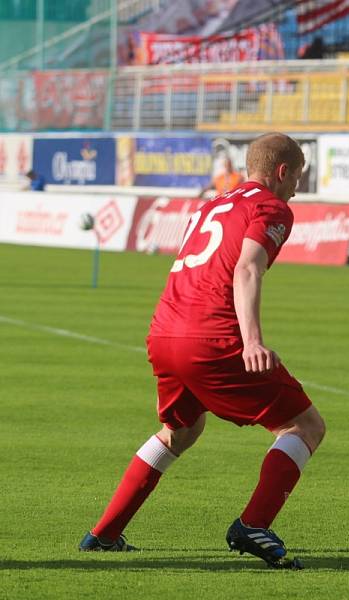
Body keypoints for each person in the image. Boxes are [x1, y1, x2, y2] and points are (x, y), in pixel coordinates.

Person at [78, 133, 325, 569]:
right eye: (296, 178)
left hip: (164, 332)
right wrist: (251, 340)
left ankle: (104, 534)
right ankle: (254, 524)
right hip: (210, 337)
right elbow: (247, 267)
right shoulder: (271, 207)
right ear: (282, 172)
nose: (296, 189)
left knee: (181, 431)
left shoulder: (212, 204)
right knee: (305, 426)